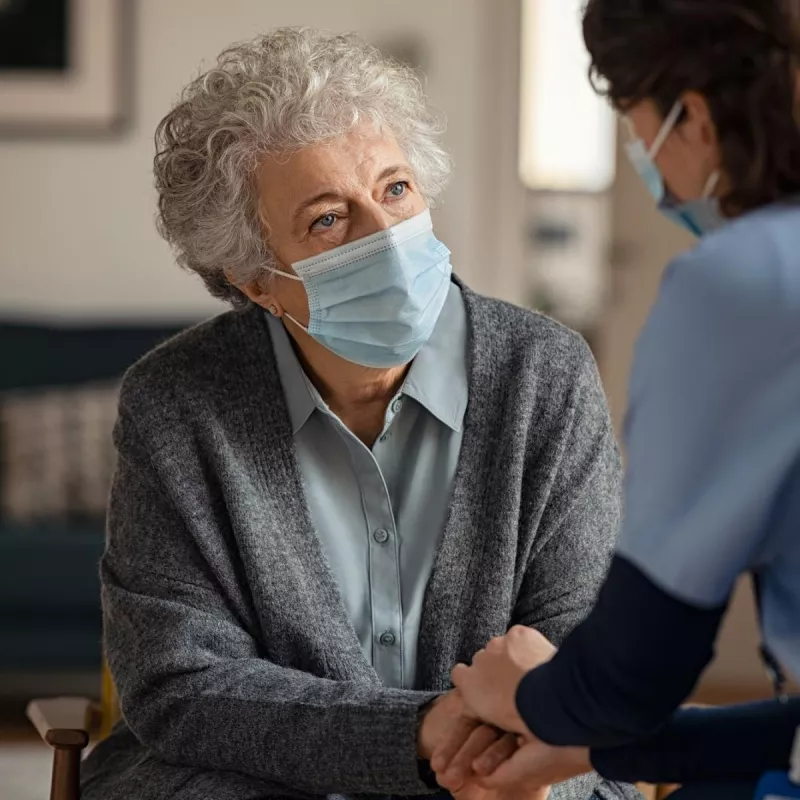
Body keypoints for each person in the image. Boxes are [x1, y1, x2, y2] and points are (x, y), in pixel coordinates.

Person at [78, 27, 641, 800]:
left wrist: (489, 760)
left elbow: (583, 642)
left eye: (395, 189)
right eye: (327, 220)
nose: (387, 235)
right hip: (256, 781)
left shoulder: (546, 376)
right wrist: (411, 735)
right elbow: (182, 680)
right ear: (254, 280)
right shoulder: (176, 403)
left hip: (518, 776)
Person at [432, 1, 800, 799]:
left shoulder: (743, 284)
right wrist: (594, 752)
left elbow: (634, 673)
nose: (646, 161)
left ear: (693, 115)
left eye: (639, 129)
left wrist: (523, 694)